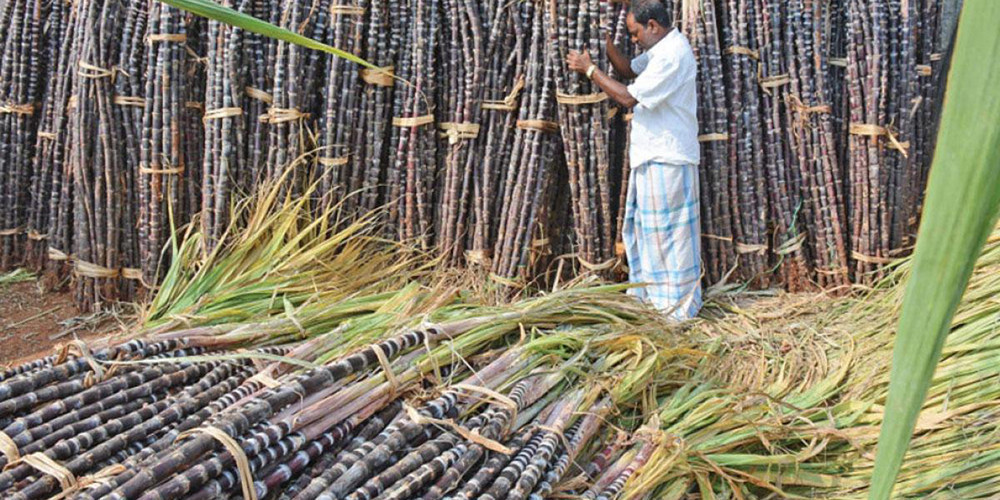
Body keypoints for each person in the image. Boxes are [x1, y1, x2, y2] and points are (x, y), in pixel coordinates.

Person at [566, 0, 701, 320]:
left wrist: (589, 69)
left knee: (669, 238)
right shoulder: (660, 50)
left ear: (653, 25)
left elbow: (628, 96)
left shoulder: (674, 55)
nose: (635, 39)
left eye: (635, 32)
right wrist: (607, 45)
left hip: (668, 158)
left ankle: (677, 309)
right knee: (646, 235)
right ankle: (654, 303)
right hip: (652, 157)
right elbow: (628, 69)